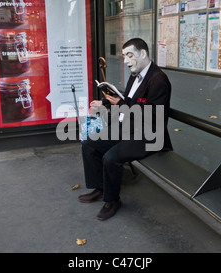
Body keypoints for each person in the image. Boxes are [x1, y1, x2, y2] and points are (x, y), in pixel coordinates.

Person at [79, 38, 173, 220]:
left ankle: (112, 201)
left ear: (143, 54)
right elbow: (129, 98)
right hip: (129, 126)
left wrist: (121, 103)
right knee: (90, 143)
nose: (126, 61)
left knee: (110, 157)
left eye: (130, 55)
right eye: (124, 56)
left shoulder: (159, 79)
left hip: (150, 134)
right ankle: (101, 187)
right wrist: (106, 101)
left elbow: (155, 115)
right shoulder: (135, 74)